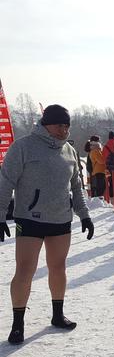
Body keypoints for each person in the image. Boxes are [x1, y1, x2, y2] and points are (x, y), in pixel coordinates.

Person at [0, 104, 94, 344]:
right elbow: (5, 183)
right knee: (25, 270)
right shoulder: (23, 147)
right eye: (59, 125)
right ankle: (18, 324)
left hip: (61, 219)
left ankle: (57, 314)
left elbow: (76, 187)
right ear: (45, 124)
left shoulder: (70, 151)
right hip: (30, 220)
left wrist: (84, 214)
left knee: (58, 267)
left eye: (66, 125)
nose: (63, 130)